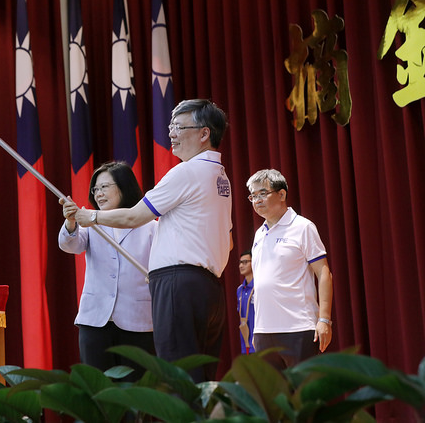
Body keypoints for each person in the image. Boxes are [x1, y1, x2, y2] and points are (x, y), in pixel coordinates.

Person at [73, 99, 233, 382]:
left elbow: (135, 217)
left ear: (204, 133)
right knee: (202, 379)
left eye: (178, 127)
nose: (171, 133)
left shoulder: (186, 171)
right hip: (210, 288)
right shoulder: (221, 179)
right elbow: (228, 241)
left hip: (178, 286)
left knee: (178, 376)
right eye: (171, 126)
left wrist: (93, 218)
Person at [58, 161, 157, 380]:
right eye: (95, 189)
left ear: (124, 186)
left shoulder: (150, 226)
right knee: (99, 391)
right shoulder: (89, 224)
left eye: (104, 187)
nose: (98, 193)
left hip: (137, 322)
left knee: (136, 391)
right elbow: (69, 244)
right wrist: (71, 222)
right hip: (95, 322)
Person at [246, 168, 333, 371]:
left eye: (263, 193)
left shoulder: (302, 227)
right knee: (275, 400)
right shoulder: (259, 234)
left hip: (299, 328)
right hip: (263, 331)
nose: (257, 200)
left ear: (282, 194)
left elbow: (324, 273)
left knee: (304, 398)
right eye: (253, 196)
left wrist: (324, 319)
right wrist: (255, 330)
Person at [237, 250, 255, 354]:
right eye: (240, 262)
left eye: (245, 262)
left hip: (258, 340)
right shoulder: (239, 290)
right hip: (245, 339)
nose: (241, 266)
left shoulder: (259, 287)